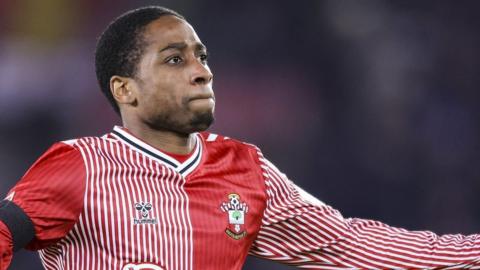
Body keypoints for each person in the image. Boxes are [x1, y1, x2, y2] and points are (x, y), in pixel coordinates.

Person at [1, 5, 480, 270]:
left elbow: (349, 245)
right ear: (125, 88)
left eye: (200, 57)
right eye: (174, 60)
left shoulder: (244, 169)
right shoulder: (78, 167)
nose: (199, 72)